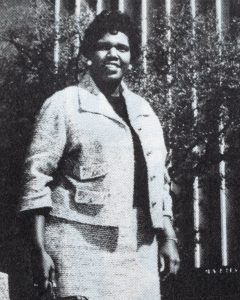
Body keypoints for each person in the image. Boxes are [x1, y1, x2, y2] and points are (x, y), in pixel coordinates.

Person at [19, 10, 180, 300]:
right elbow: (35, 180)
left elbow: (161, 182)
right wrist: (38, 249)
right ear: (87, 54)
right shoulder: (64, 104)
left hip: (142, 247)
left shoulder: (145, 112)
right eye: (103, 46)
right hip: (78, 247)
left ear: (132, 57)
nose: (113, 54)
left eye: (122, 48)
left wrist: (168, 237)